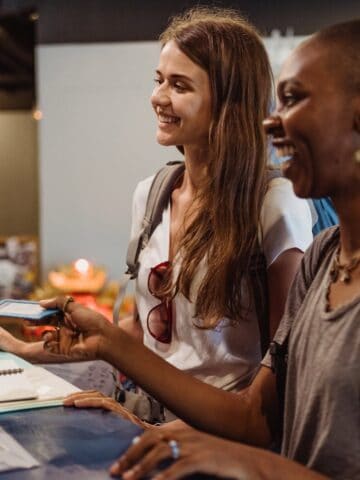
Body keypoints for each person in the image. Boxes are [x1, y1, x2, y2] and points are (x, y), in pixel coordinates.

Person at [42, 17, 360, 480]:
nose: (271, 121)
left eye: (293, 100)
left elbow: (259, 431)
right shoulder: (324, 258)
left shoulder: (276, 209)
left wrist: (249, 461)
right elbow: (259, 417)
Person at [0, 5, 313, 423]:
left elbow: (282, 379)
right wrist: (28, 349)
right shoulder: (151, 194)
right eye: (159, 80)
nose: (158, 97)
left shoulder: (274, 203)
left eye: (179, 85)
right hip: (150, 416)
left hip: (222, 435)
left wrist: (158, 428)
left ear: (227, 103)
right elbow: (146, 333)